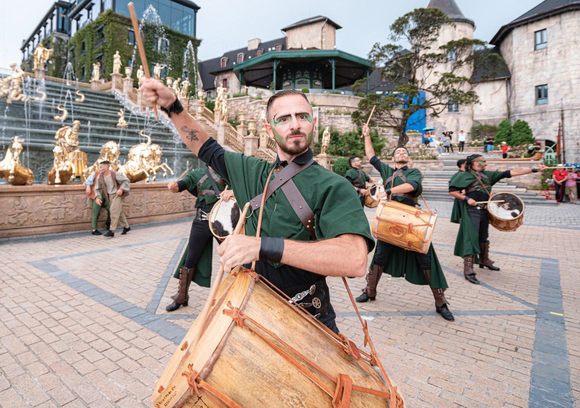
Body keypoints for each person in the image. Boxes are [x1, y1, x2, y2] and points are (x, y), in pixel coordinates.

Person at [140, 78, 373, 333]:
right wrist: (172, 107)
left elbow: (355, 260)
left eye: (302, 116)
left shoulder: (334, 185)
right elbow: (205, 147)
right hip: (250, 313)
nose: (295, 124)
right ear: (268, 128)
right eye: (283, 119)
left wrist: (261, 246)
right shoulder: (251, 171)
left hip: (310, 320)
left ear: (313, 124)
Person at [355, 124, 454, 321]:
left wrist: (389, 191)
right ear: (393, 158)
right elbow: (371, 155)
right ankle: (370, 290)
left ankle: (440, 302)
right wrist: (367, 135)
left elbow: (412, 186)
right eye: (398, 151)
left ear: (408, 159)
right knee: (380, 257)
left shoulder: (413, 172)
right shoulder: (386, 170)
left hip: (411, 219)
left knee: (425, 259)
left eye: (404, 152)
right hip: (390, 217)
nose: (401, 153)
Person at [448, 154, 545, 284]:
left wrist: (534, 170)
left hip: (485, 210)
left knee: (483, 237)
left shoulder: (488, 175)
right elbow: (452, 191)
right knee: (471, 238)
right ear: (476, 163)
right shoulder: (463, 175)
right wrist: (467, 199)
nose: (486, 163)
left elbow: (510, 173)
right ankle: (469, 270)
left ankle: (484, 260)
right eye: (483, 161)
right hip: (472, 210)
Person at [165, 167, 232, 311]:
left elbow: (242, 190)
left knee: (232, 257)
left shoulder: (228, 171)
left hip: (222, 223)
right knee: (190, 259)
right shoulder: (196, 174)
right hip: (200, 223)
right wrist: (174, 187)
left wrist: (232, 192)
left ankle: (236, 294)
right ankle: (181, 297)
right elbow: (181, 185)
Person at [90, 161, 130, 237]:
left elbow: (126, 181)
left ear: (106, 168)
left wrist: (121, 189)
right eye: (99, 167)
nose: (99, 168)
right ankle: (126, 227)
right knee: (119, 212)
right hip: (110, 196)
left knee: (113, 211)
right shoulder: (100, 176)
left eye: (101, 167)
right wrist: (97, 197)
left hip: (117, 195)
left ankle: (112, 231)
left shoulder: (115, 174)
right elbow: (97, 188)